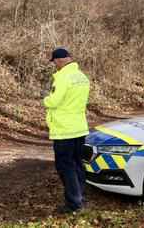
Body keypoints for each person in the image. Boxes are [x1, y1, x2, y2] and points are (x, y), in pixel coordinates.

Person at [42, 48, 90, 213]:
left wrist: (45, 98)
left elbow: (53, 102)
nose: (54, 65)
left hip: (64, 130)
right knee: (78, 165)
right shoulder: (82, 77)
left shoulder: (63, 77)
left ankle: (74, 204)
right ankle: (81, 199)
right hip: (79, 128)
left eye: (54, 62)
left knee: (65, 167)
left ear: (60, 60)